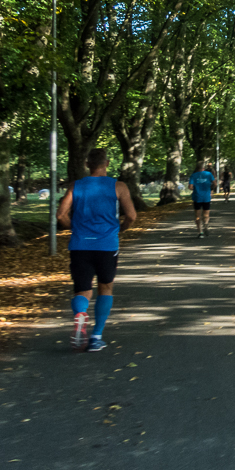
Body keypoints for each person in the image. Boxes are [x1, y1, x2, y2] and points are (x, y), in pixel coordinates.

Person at [57, 148, 137, 352]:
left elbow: (61, 215)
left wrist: (75, 228)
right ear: (107, 164)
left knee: (83, 290)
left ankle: (80, 314)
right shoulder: (118, 186)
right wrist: (120, 230)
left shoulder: (76, 185)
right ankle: (96, 337)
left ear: (87, 165)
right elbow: (132, 216)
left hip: (80, 245)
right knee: (105, 287)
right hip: (107, 245)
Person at [189, 161, 216, 237]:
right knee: (206, 214)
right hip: (206, 197)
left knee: (198, 215)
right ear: (203, 168)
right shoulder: (209, 174)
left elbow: (190, 187)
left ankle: (200, 232)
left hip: (197, 197)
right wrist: (210, 189)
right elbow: (215, 183)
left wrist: (196, 188)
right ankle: (206, 224)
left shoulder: (193, 175)